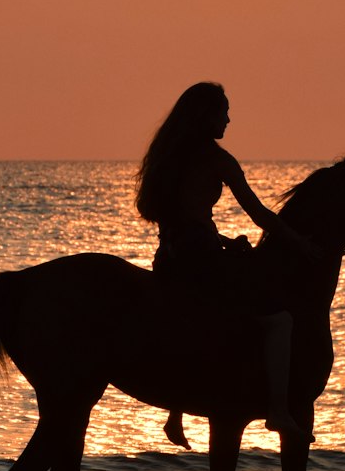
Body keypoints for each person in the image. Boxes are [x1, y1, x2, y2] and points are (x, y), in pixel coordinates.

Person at [135, 82, 315, 447]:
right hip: (201, 261)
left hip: (168, 260)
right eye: (224, 112)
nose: (229, 119)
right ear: (207, 116)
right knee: (279, 321)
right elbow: (260, 214)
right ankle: (279, 411)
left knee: (194, 321)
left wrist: (219, 238)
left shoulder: (168, 155)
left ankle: (176, 412)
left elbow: (177, 219)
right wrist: (299, 243)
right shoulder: (217, 159)